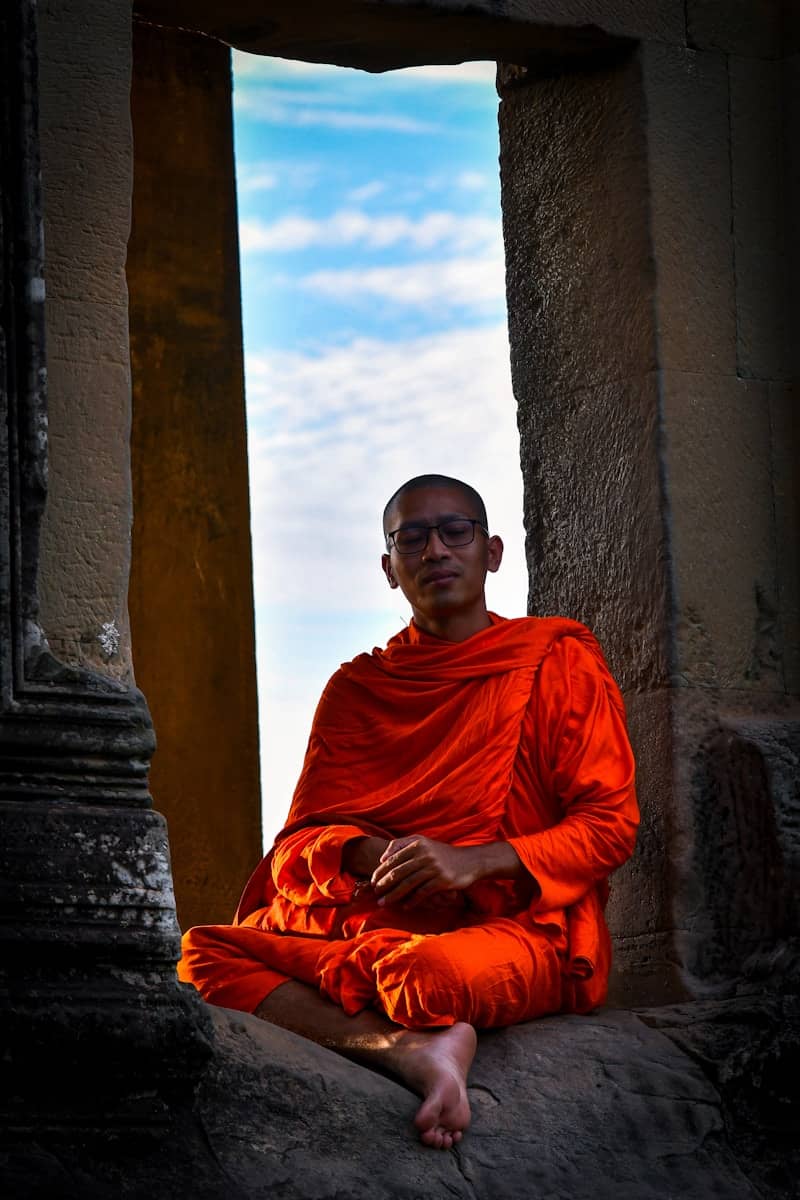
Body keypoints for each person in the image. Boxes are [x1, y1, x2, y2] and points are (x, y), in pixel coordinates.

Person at [178, 474, 639, 1150]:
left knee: (424, 977)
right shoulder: (357, 689)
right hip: (378, 916)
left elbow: (609, 825)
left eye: (457, 532)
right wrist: (367, 855)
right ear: (389, 568)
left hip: (511, 928)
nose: (436, 551)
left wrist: (470, 863)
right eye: (412, 538)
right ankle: (403, 1050)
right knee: (203, 954)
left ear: (493, 552)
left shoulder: (555, 663)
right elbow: (300, 842)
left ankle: (409, 1026)